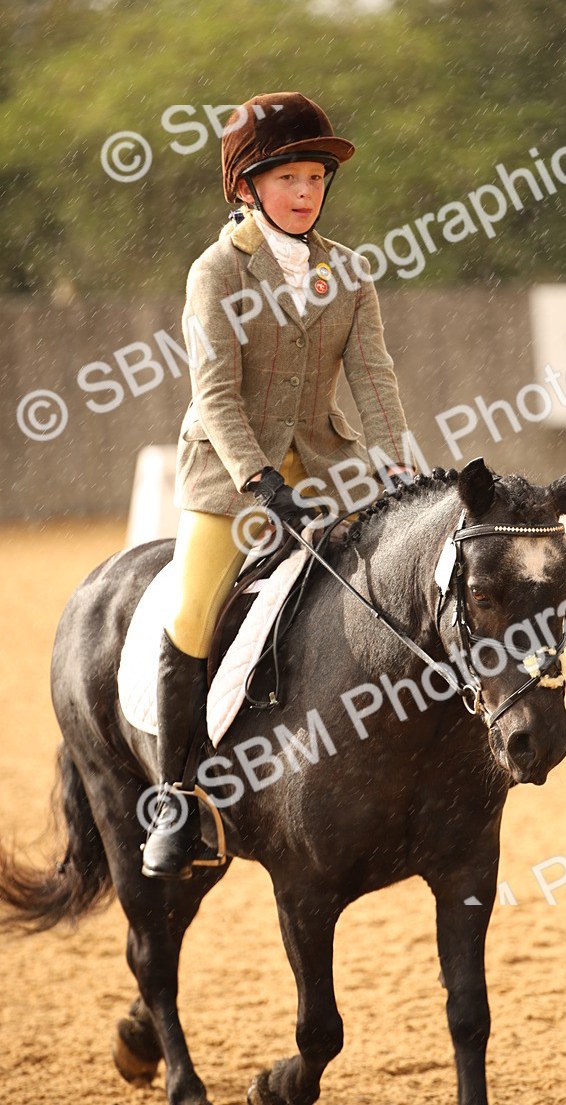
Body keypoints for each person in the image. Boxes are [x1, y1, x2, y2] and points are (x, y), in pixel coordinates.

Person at [141, 91, 412, 879]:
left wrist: (396, 461)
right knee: (192, 613)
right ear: (248, 187)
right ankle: (173, 797)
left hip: (328, 462)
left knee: (405, 580)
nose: (304, 193)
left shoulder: (348, 271)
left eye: (315, 179)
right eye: (287, 177)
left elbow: (374, 376)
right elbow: (215, 394)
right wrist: (260, 479)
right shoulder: (217, 272)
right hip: (229, 476)